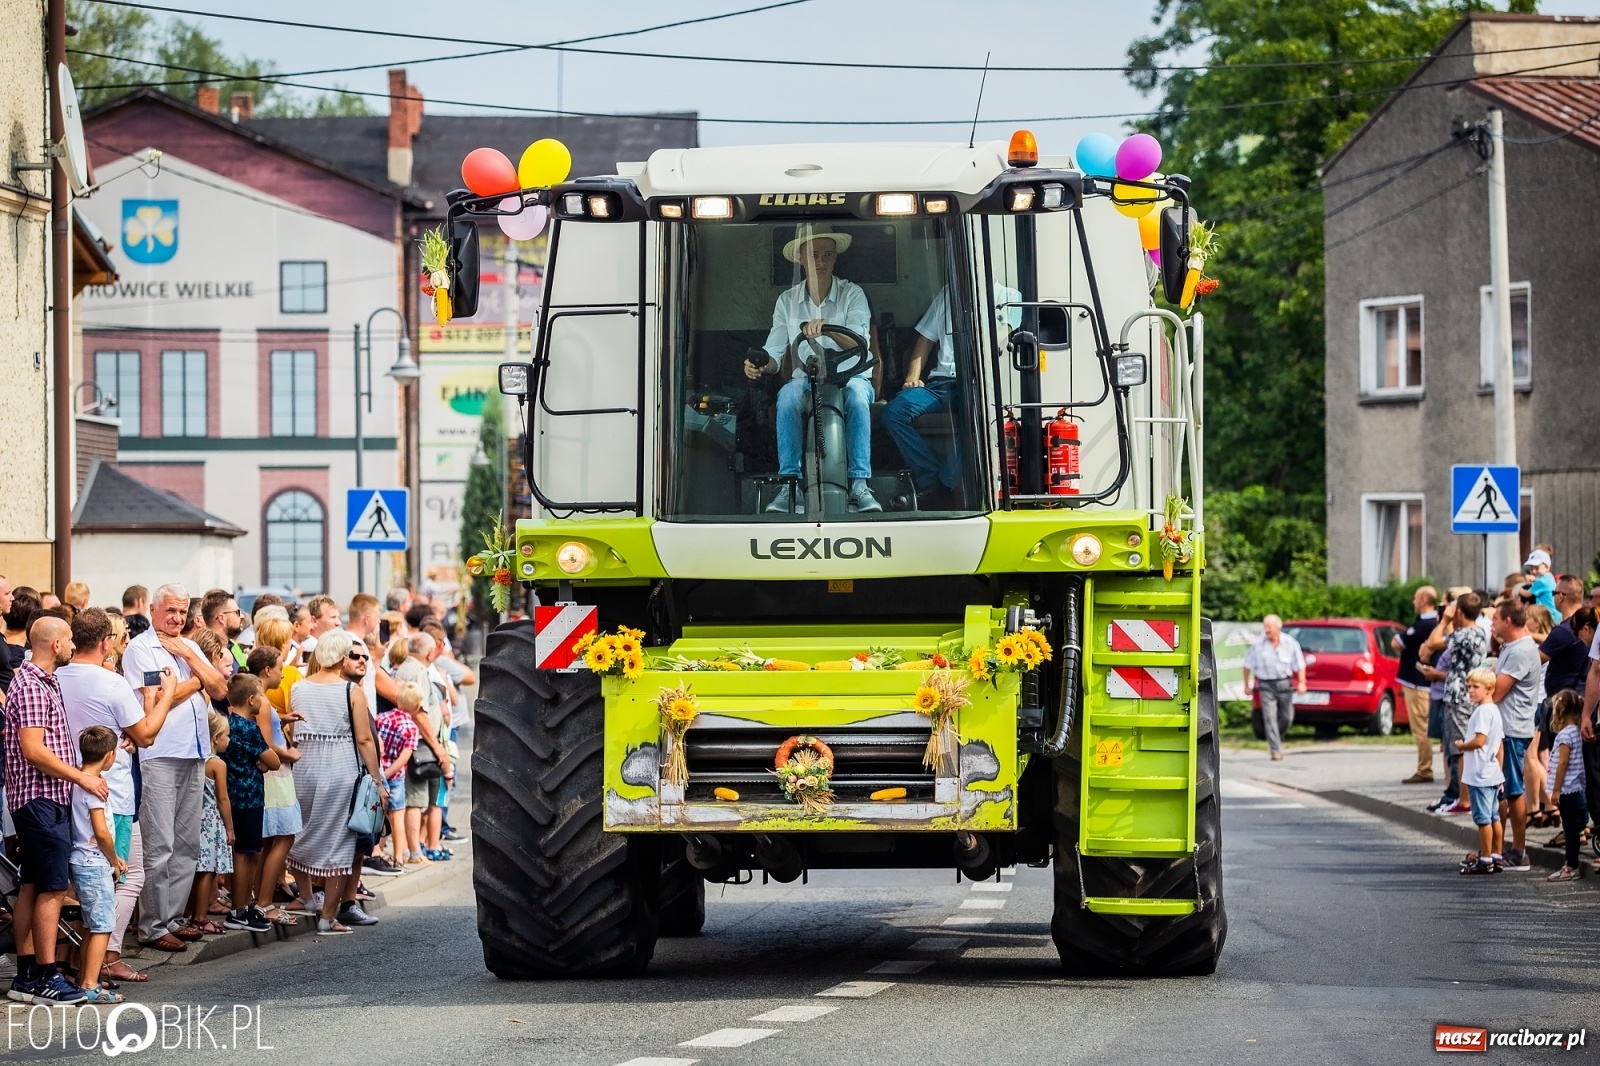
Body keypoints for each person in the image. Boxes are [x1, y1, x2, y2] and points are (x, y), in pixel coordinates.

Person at [55, 607, 176, 983]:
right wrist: (167, 693)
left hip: (67, 783)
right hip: (111, 791)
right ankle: (106, 956)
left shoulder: (56, 676)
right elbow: (145, 735)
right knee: (127, 875)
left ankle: (75, 957)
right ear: (106, 642)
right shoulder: (112, 683)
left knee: (81, 879)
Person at [4, 615, 108, 1004]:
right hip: (39, 798)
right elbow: (33, 750)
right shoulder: (31, 684)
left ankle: (28, 973)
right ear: (55, 644)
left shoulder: (41, 680)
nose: (70, 644)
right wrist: (81, 777)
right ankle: (46, 976)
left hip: (43, 798)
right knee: (51, 887)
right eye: (67, 639)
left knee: (33, 885)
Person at [121, 582, 229, 952]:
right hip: (161, 754)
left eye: (182, 612)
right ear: (152, 610)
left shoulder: (190, 645)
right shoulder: (140, 648)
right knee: (160, 844)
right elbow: (154, 702)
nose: (176, 618)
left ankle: (173, 918)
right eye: (170, 611)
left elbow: (219, 689)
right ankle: (152, 925)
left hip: (195, 752)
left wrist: (189, 657)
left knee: (188, 843)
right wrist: (196, 681)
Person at [744, 224, 879, 515]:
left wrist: (828, 332)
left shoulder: (853, 293)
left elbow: (861, 343)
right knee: (788, 397)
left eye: (828, 254)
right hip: (806, 380)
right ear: (800, 258)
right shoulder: (786, 301)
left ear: (835, 259)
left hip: (850, 377)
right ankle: (789, 484)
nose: (821, 261)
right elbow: (775, 353)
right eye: (814, 254)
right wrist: (759, 365)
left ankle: (859, 484)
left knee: (857, 395)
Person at [881, 284, 1021, 510]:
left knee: (978, 415)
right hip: (941, 384)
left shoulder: (1010, 296)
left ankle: (945, 484)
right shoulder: (947, 293)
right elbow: (925, 339)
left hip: (977, 384)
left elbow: (1001, 336)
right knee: (893, 412)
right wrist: (912, 378)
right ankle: (931, 480)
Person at [285, 631, 387, 936]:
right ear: (342, 657)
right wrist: (377, 779)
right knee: (339, 841)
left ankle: (306, 898)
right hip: (340, 768)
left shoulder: (298, 687)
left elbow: (293, 734)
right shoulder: (351, 691)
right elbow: (365, 739)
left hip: (304, 767)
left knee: (302, 832)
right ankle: (328, 917)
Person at [246, 618, 303, 925]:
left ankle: (259, 898)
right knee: (283, 838)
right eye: (280, 668)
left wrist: (282, 719)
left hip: (268, 777)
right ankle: (265, 901)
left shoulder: (261, 699)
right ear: (267, 671)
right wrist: (290, 752)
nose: (284, 673)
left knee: (269, 841)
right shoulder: (264, 703)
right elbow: (267, 745)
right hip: (275, 777)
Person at [68, 724, 126, 1003]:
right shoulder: (95, 787)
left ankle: (84, 979)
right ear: (109, 756)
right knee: (103, 925)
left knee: (92, 924)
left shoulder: (79, 780)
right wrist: (114, 860)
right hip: (94, 863)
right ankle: (90, 985)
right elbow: (100, 831)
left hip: (85, 859)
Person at [219, 675, 283, 931]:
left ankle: (242, 906)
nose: (264, 701)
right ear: (251, 699)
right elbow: (274, 761)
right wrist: (263, 761)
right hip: (249, 796)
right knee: (247, 853)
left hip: (234, 794)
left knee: (246, 852)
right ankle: (240, 908)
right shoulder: (250, 727)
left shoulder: (229, 724)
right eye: (261, 696)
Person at [1490, 598, 1540, 871]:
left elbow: (1497, 691)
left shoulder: (1521, 650)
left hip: (1512, 729)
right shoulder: (1512, 646)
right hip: (1506, 728)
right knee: (1503, 790)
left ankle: (1519, 851)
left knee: (1512, 790)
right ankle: (1500, 849)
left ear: (1508, 621)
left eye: (1495, 619)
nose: (1492, 623)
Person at [1437, 594, 1489, 815]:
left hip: (1459, 696)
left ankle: (1464, 800)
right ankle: (1464, 796)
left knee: (1459, 749)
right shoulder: (1477, 632)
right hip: (1467, 694)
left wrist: (1444, 620)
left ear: (1459, 611)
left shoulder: (1465, 633)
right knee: (1464, 747)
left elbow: (1432, 642)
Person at [188, 713, 234, 936]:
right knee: (207, 870)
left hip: (193, 818)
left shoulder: (195, 759)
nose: (229, 739)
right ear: (216, 738)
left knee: (193, 870)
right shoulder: (217, 764)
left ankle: (190, 913)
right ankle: (200, 917)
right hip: (211, 819)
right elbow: (223, 799)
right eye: (227, 735)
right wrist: (230, 828)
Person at [1457, 667, 1506, 875]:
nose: (1470, 690)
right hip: (1492, 772)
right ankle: (1497, 854)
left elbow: (1479, 741)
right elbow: (1500, 746)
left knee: (1483, 819)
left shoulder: (1482, 712)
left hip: (1480, 775)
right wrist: (1500, 773)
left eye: (1475, 687)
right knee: (1494, 817)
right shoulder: (1495, 710)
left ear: (1489, 689)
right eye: (1469, 686)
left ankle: (1485, 859)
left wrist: (1462, 745)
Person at [1242, 614, 1307, 761]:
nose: (1266, 630)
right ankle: (1275, 750)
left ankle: (1277, 736)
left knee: (1287, 717)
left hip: (1285, 683)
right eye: (1265, 627)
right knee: (1269, 718)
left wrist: (1302, 681)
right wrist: (1247, 685)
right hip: (1265, 685)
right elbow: (1247, 666)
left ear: (1278, 627)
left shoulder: (1290, 643)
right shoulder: (1258, 645)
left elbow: (1300, 664)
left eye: (1269, 627)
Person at [1394, 585, 1440, 784]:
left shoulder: (1424, 624)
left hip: (1417, 682)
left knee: (1420, 728)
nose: (1413, 602)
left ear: (1423, 600)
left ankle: (1424, 769)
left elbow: (1397, 643)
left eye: (1415, 598)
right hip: (1422, 682)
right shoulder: (1434, 622)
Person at [1543, 690, 1587, 882]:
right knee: (1575, 828)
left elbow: (1563, 763)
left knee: (1569, 831)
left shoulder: (1564, 736)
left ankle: (1571, 867)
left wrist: (1556, 790)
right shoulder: (1578, 732)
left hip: (1567, 789)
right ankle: (1571, 864)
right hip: (1578, 787)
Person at [376, 683, 421, 869]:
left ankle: (376, 852)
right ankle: (398, 858)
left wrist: (380, 775)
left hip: (377, 773)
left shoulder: (380, 718)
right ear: (417, 706)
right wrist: (388, 774)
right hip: (395, 777)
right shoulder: (411, 728)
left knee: (379, 816)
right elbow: (404, 758)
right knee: (397, 816)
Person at [201, 590, 247, 669]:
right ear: (221, 618)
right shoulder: (207, 653)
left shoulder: (232, 646)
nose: (242, 616)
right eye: (237, 612)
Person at [1523, 548, 1556, 612]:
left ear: (1547, 567)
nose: (1534, 571)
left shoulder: (1541, 581)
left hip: (1550, 616)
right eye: (1531, 569)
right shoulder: (1549, 577)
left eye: (1537, 568)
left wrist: (1518, 589)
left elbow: (1527, 594)